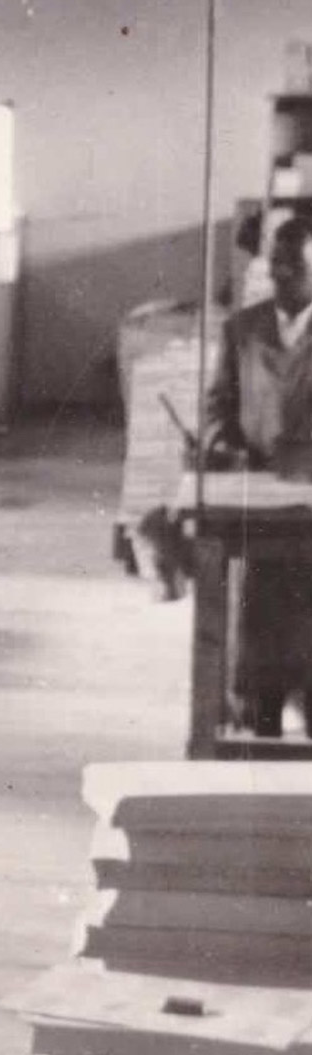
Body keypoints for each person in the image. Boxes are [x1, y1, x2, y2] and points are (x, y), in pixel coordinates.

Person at [203, 215, 312, 735]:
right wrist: (222, 444)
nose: (284, 275)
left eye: (296, 266)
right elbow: (218, 407)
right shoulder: (243, 329)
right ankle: (261, 717)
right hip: (259, 500)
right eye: (278, 265)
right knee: (261, 629)